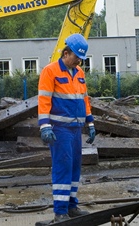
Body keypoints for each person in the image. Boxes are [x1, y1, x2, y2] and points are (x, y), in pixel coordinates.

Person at [38, 33, 97, 223]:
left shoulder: (79, 73)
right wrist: (45, 126)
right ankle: (60, 211)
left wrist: (90, 122)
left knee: (74, 169)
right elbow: (44, 100)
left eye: (81, 59)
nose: (79, 61)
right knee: (62, 168)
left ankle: (71, 206)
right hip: (60, 129)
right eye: (76, 57)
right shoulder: (50, 71)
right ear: (66, 53)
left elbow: (84, 99)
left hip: (75, 129)